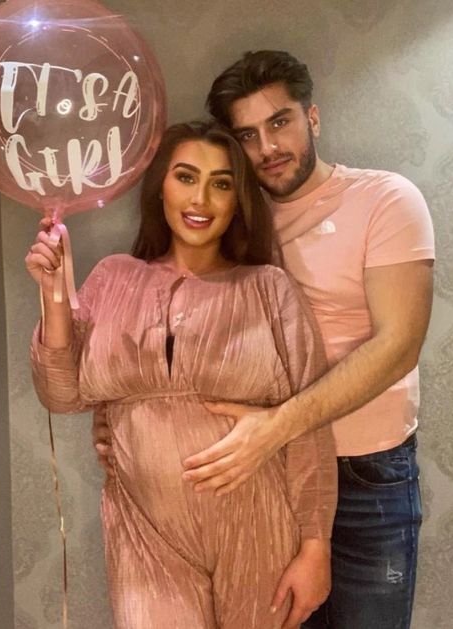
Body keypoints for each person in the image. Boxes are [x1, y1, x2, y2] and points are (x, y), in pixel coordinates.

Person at [94, 50, 435, 629]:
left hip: (364, 474)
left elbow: (399, 344)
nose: (268, 148)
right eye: (247, 135)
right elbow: (163, 328)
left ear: (313, 117)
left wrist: (277, 425)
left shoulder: (384, 199)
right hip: (260, 483)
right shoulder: (227, 218)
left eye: (280, 122)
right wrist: (125, 421)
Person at [27, 121, 337, 629]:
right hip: (145, 534)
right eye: (186, 177)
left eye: (221, 183)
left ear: (238, 200)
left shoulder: (269, 288)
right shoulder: (114, 277)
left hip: (258, 527)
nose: (201, 199)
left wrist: (315, 547)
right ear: (160, 188)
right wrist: (55, 293)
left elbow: (309, 427)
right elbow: (61, 394)